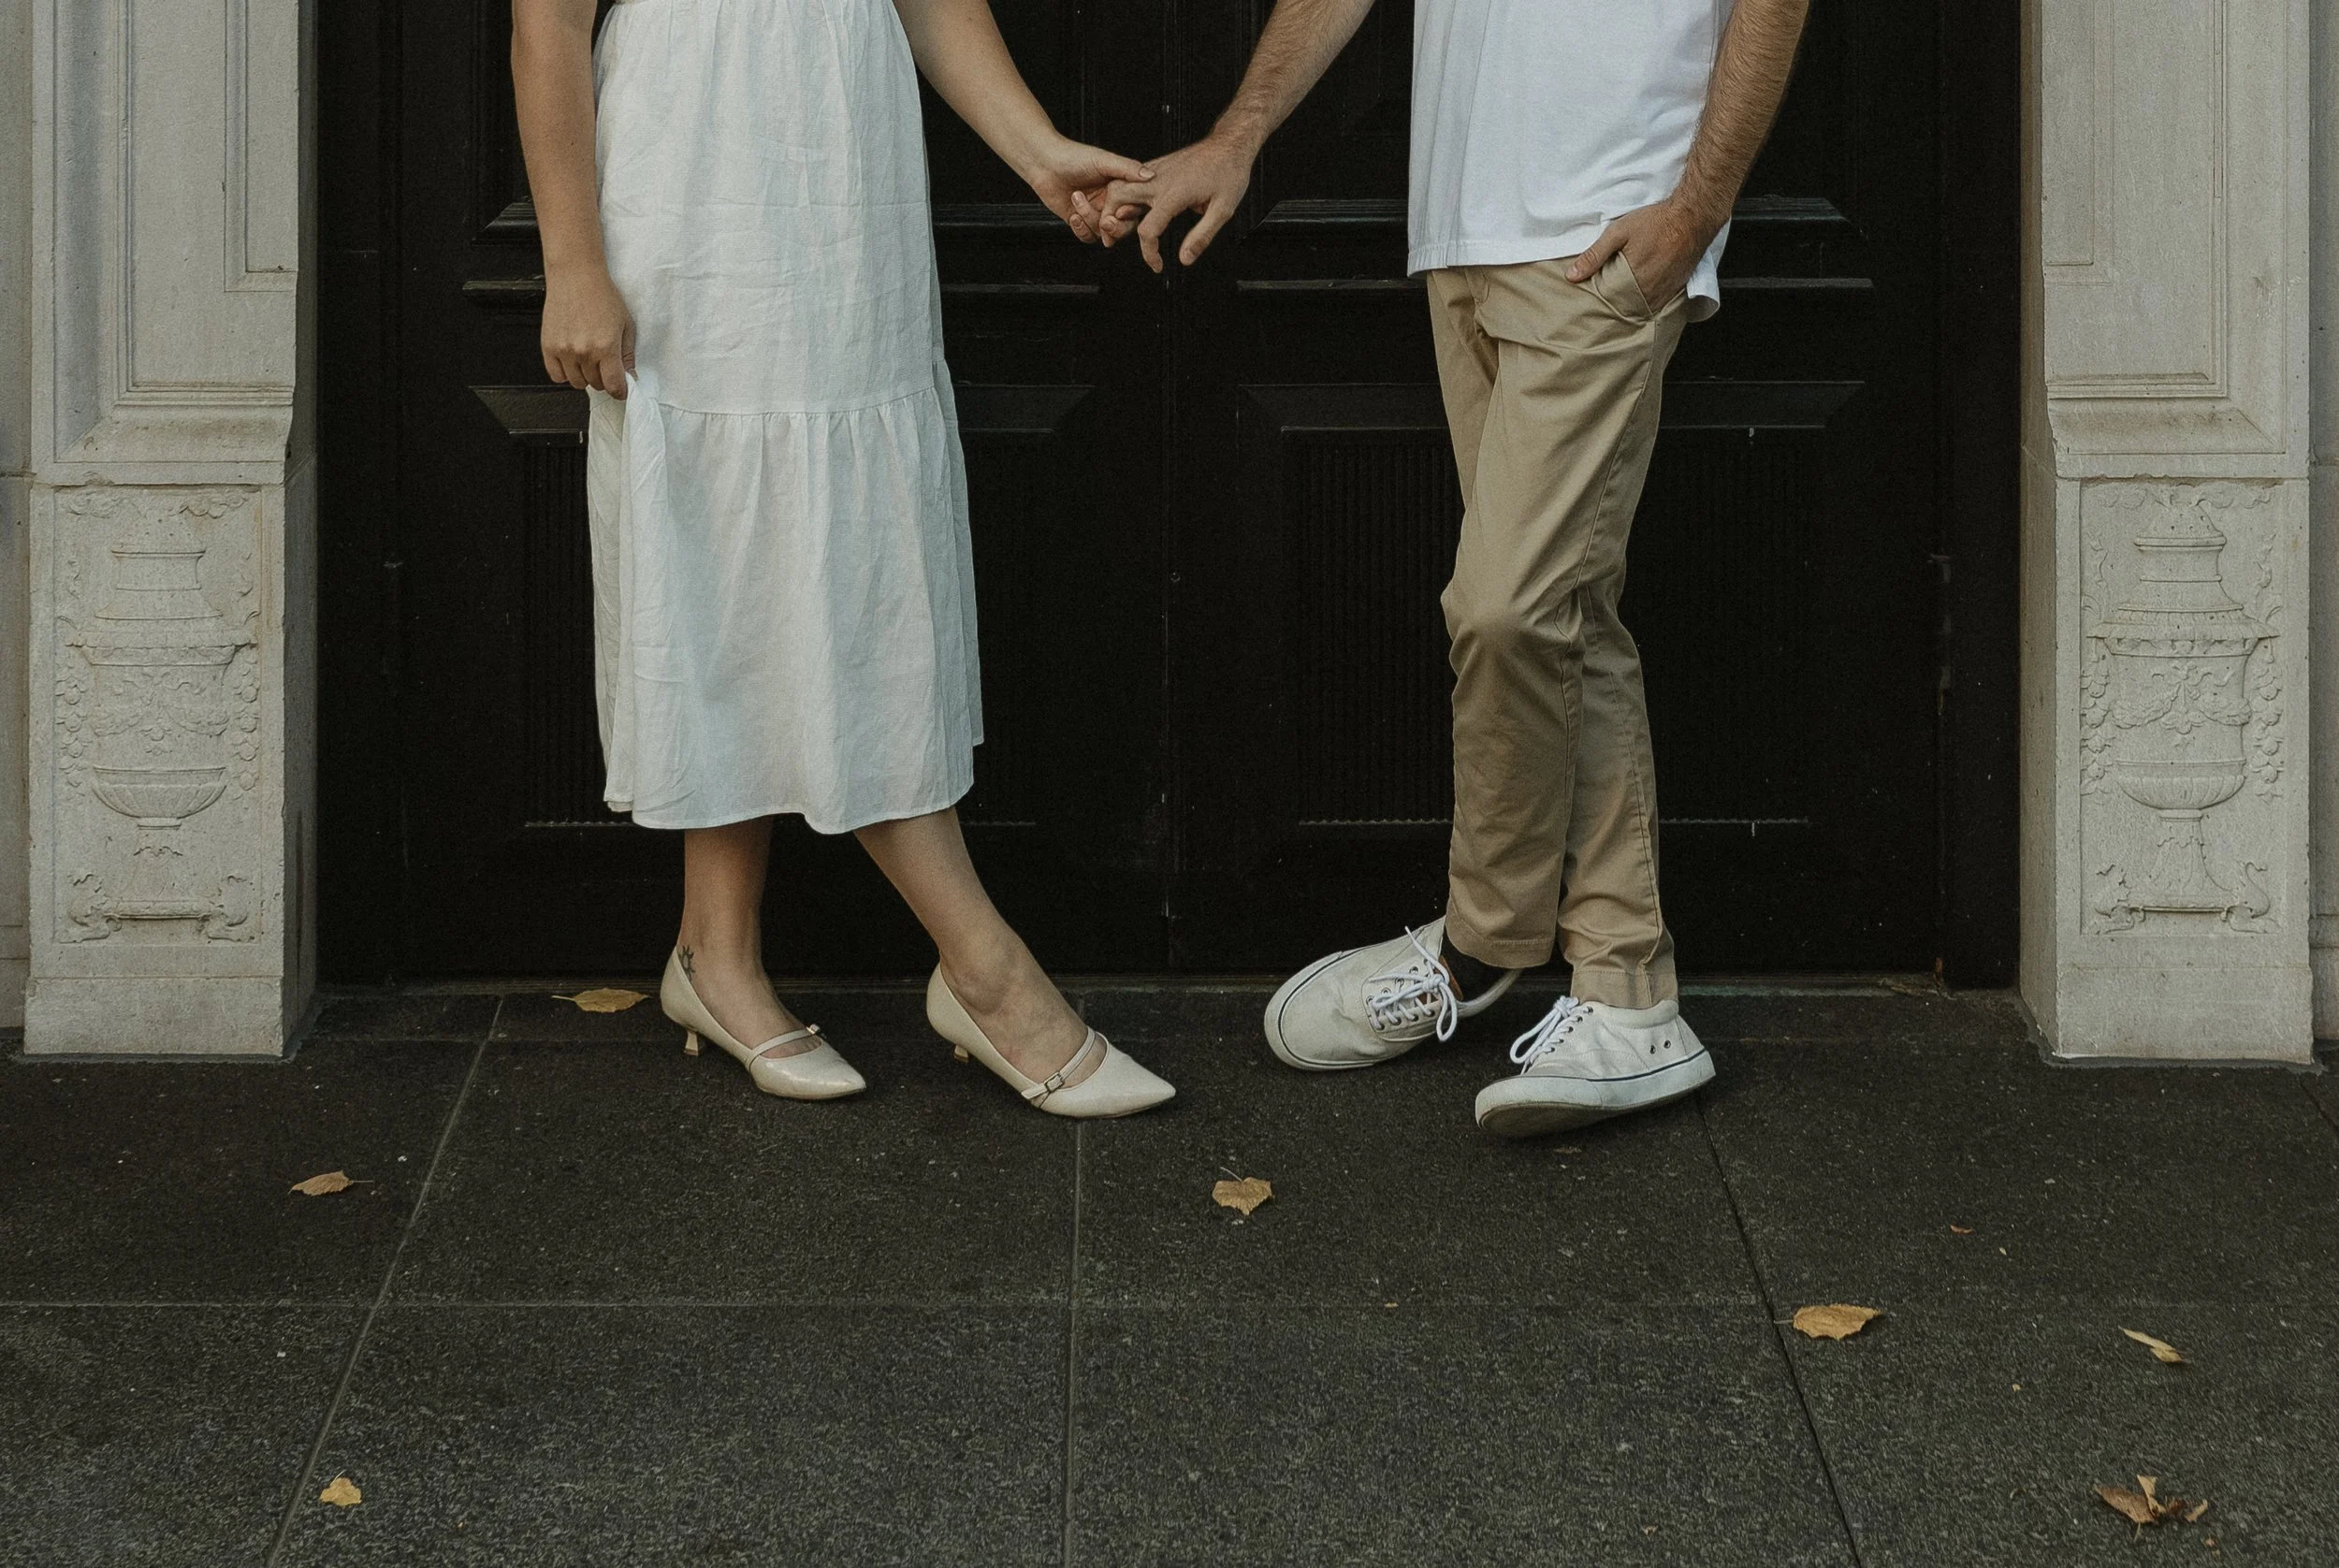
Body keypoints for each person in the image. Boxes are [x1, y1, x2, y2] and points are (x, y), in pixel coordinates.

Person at [1097, 0, 1810, 1136]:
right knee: (1563, 614)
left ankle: (1481, 944)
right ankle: (1626, 991)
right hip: (1464, 230)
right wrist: (1236, 136)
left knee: (1507, 610)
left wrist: (1696, 211)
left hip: (1606, 231)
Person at [510, 0, 1172, 1116]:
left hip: (843, 183)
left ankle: (714, 953)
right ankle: (987, 972)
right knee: (730, 543)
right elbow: (548, 24)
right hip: (695, 184)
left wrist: (1037, 151)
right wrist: (571, 260)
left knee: (826, 550)